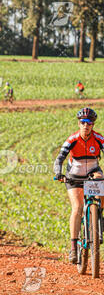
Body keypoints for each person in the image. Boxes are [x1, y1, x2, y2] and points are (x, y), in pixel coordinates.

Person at [54, 107, 104, 264]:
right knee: (77, 208)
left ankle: (98, 223)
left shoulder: (99, 138)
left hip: (93, 172)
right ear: (79, 123)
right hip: (74, 176)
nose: (86, 126)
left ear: (93, 125)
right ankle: (73, 247)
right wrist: (58, 173)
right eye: (83, 122)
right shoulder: (72, 140)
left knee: (102, 190)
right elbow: (59, 159)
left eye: (89, 123)